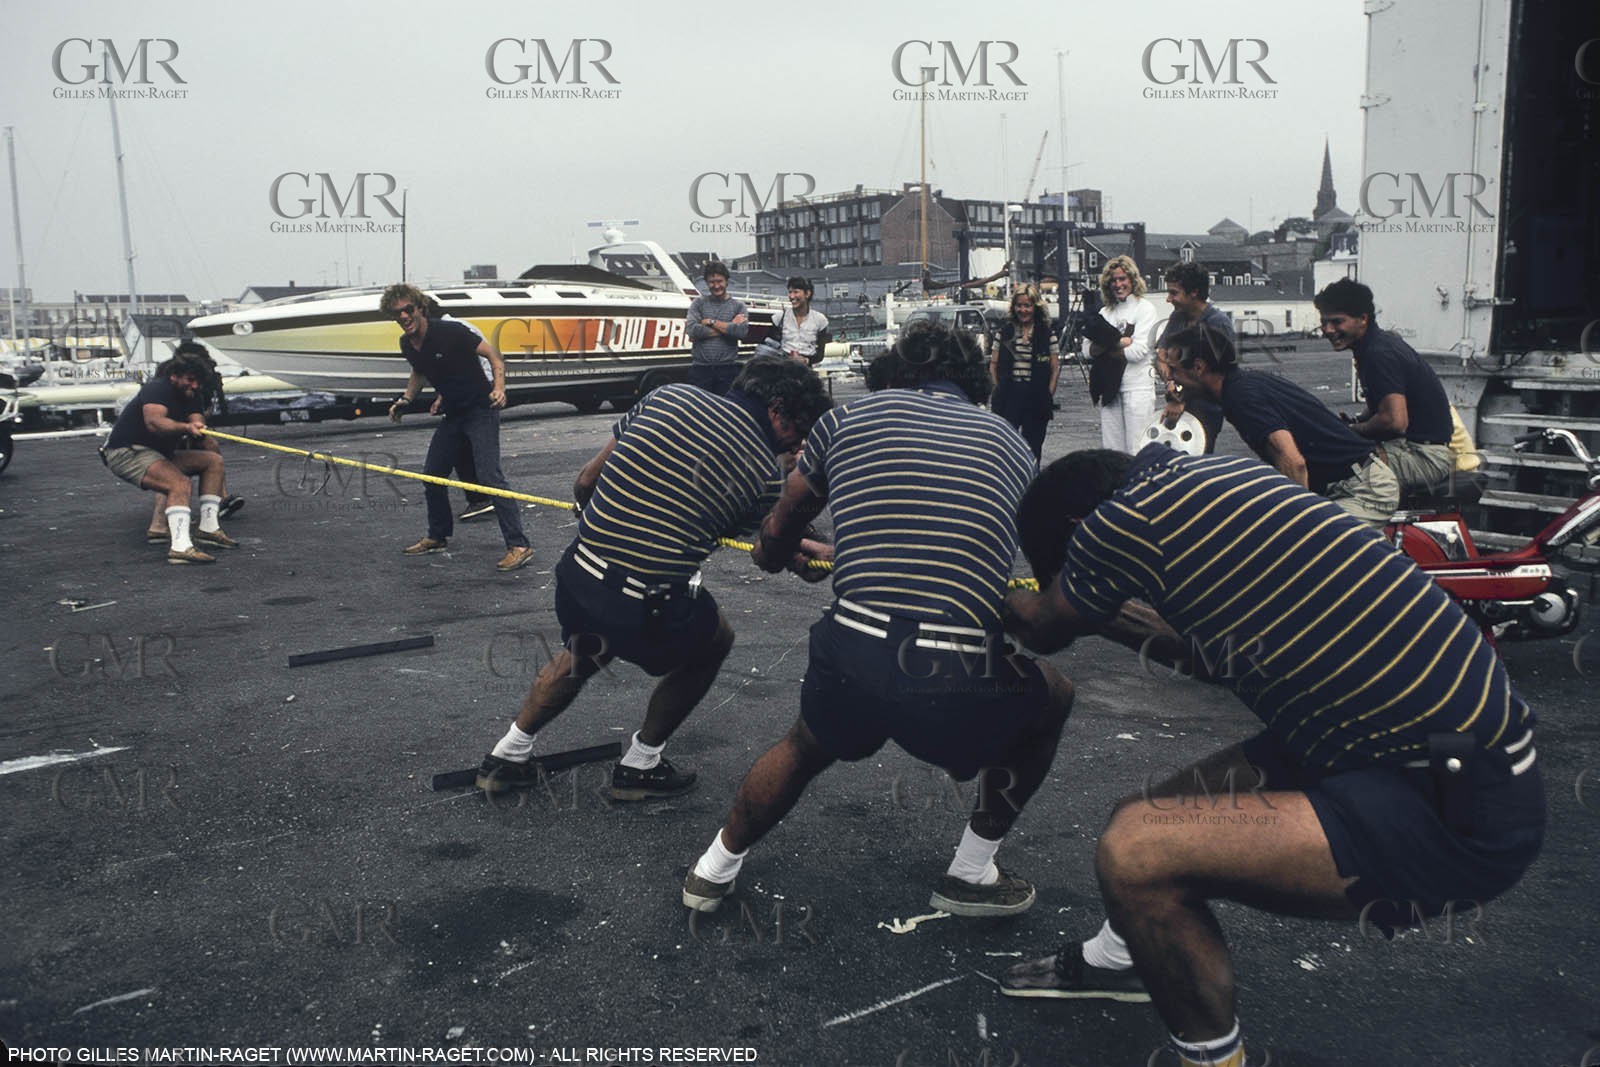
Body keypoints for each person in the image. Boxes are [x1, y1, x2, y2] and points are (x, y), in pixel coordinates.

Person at [999, 446, 1543, 1067]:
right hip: (1401, 743)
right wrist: (1111, 616)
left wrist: (993, 595)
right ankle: (1121, 961)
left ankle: (1213, 1060)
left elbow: (1045, 626)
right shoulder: (1222, 478)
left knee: (1137, 852)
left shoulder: (1113, 526)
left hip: (1445, 798)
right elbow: (1210, 659)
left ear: (1076, 532)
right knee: (1152, 811)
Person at [682, 321, 1076, 919]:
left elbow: (779, 531)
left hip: (853, 652)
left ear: (898, 368)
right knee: (1052, 698)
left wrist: (786, 555)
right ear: (973, 382)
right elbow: (991, 559)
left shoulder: (847, 421)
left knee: (805, 743)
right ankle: (971, 872)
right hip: (952, 671)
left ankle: (712, 870)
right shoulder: (1011, 443)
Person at [474, 356, 831, 799]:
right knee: (715, 641)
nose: (798, 442)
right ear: (777, 410)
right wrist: (808, 557)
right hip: (644, 608)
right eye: (800, 428)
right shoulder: (764, 473)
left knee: (588, 645)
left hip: (576, 576)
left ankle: (506, 755)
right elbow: (768, 555)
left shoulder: (667, 396)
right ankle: (642, 762)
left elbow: (586, 480)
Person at [1162, 323, 1398, 525]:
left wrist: (1297, 526)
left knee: (1310, 547)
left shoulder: (1241, 398)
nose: (1169, 377)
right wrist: (1179, 398)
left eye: (1174, 370)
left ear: (1199, 367)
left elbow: (1294, 463)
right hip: (1348, 481)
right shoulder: (1242, 384)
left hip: (1363, 489)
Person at [380, 283, 534, 572]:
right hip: (454, 413)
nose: (403, 317)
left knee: (490, 476)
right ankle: (437, 537)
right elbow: (420, 370)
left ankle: (519, 545)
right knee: (433, 475)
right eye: (396, 313)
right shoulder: (407, 343)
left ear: (419, 308)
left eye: (408, 310)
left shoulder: (450, 332)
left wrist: (499, 389)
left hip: (480, 409)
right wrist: (406, 399)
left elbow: (494, 357)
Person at [1315, 278, 1454, 496]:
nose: (1328, 329)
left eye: (1337, 322)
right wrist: (1358, 421)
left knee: (1327, 471)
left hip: (1423, 457)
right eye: (1324, 322)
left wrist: (1352, 430)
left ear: (1363, 319)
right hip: (1417, 448)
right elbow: (1381, 407)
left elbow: (1394, 421)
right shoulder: (1376, 344)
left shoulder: (1378, 354)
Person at [102, 350, 240, 564]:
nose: (194, 386)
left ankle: (209, 528)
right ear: (174, 376)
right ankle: (180, 547)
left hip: (157, 453)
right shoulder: (157, 389)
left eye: (198, 382)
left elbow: (197, 418)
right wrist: (186, 426)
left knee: (213, 461)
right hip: (127, 452)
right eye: (190, 380)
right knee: (179, 484)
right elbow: (155, 422)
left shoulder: (191, 394)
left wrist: (197, 425)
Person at [144, 341, 243, 543]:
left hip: (187, 424)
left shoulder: (191, 378)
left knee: (212, 452)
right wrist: (185, 426)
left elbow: (201, 407)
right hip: (165, 429)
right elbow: (157, 416)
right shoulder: (167, 380)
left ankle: (221, 500)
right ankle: (159, 524)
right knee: (171, 470)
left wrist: (196, 423)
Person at [1154, 263, 1230, 454]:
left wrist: (1180, 397)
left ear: (1194, 292)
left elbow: (1216, 377)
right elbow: (1161, 354)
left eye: (1174, 293)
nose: (1168, 299)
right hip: (1176, 400)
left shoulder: (1217, 323)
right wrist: (1172, 384)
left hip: (1206, 407)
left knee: (1197, 460)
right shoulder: (1177, 317)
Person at [1088, 255, 1160, 452]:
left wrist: (1104, 345)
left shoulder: (1145, 309)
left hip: (1137, 389)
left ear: (1132, 279)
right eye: (1113, 280)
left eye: (1122, 279)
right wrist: (1120, 342)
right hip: (1109, 390)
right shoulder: (1104, 313)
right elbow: (1087, 350)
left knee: (1137, 450)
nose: (1118, 284)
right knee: (1112, 451)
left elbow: (1138, 351)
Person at [989, 284, 1060, 464]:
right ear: (1013, 307)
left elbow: (1054, 368)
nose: (1023, 310)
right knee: (1007, 447)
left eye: (1027, 305)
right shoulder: (1004, 332)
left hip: (1036, 396)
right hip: (1009, 395)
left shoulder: (1047, 333)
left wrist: (1048, 394)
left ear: (1035, 306)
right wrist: (999, 390)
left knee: (1033, 448)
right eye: (1019, 305)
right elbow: (993, 364)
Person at [686, 261, 748, 395]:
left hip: (727, 370)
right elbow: (691, 330)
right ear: (707, 283)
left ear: (727, 281)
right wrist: (728, 326)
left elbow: (741, 332)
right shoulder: (698, 303)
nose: (716, 286)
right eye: (711, 282)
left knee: (726, 411)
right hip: (700, 370)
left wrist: (710, 322)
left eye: (719, 281)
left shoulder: (738, 306)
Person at [773, 276, 831, 365]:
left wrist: (805, 361)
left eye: (796, 292)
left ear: (807, 294)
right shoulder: (780, 318)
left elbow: (820, 355)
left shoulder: (820, 320)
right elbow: (771, 346)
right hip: (784, 367)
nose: (792, 296)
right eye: (790, 292)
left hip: (806, 369)